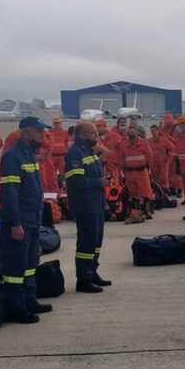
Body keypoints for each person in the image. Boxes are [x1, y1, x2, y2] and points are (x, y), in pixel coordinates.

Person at [0, 116, 52, 323]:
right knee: (16, 267)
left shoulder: (29, 155)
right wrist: (15, 223)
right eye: (39, 131)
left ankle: (29, 300)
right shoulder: (12, 157)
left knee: (30, 264)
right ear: (25, 132)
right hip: (20, 221)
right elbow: (10, 192)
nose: (42, 135)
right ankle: (16, 307)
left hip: (32, 219)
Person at [64, 121, 111, 293]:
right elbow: (76, 181)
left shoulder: (89, 151)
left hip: (96, 202)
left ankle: (92, 272)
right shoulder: (74, 153)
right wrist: (99, 182)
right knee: (86, 242)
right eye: (92, 133)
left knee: (96, 241)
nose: (95, 136)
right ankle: (83, 279)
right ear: (82, 134)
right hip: (84, 204)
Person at [121, 125, 154, 224]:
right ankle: (136, 212)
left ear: (137, 132)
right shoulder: (124, 144)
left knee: (145, 192)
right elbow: (122, 158)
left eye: (133, 131)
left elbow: (150, 157)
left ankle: (146, 211)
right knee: (133, 193)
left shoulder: (143, 143)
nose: (131, 133)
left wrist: (150, 170)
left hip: (141, 171)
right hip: (129, 172)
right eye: (129, 131)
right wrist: (123, 172)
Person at [49, 116, 72, 183]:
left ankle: (63, 185)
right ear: (53, 123)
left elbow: (68, 144)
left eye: (58, 123)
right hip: (52, 156)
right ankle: (53, 185)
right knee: (51, 173)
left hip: (62, 156)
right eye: (55, 123)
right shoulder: (49, 132)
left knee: (63, 173)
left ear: (61, 123)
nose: (57, 124)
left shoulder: (65, 132)